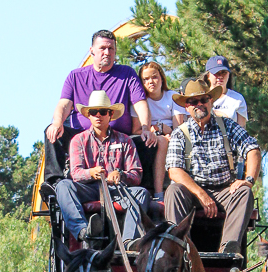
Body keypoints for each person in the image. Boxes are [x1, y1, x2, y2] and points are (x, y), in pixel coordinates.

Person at [43, 29, 156, 191]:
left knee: (148, 141)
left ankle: (145, 190)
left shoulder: (127, 74)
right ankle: (54, 184)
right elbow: (64, 104)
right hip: (82, 137)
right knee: (52, 133)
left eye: (111, 49)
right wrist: (57, 123)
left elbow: (140, 104)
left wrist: (146, 128)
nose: (107, 52)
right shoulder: (75, 76)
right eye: (102, 48)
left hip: (118, 138)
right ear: (92, 51)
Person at [164, 78, 261, 256]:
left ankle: (228, 250)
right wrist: (200, 194)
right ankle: (178, 250)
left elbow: (252, 149)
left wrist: (248, 180)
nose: (199, 104)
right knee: (174, 191)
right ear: (187, 106)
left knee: (244, 193)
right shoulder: (180, 134)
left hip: (224, 189)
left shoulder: (228, 126)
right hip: (193, 193)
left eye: (204, 99)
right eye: (194, 101)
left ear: (211, 101)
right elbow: (174, 170)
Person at [55, 92, 150, 245]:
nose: (98, 115)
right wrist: (91, 173)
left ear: (110, 114)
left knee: (141, 193)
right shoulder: (78, 140)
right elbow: (76, 173)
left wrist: (121, 175)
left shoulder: (125, 140)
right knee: (63, 186)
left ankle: (129, 241)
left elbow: (136, 173)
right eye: (94, 112)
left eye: (103, 112)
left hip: (116, 191)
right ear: (89, 116)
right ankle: (83, 231)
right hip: (89, 189)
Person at [131, 61, 186, 200]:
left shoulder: (172, 97)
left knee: (167, 141)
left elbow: (179, 128)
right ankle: (158, 193)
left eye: (154, 77)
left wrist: (166, 131)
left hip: (173, 136)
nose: (151, 82)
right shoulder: (139, 102)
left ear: (162, 77)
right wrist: (156, 130)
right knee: (161, 141)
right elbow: (136, 129)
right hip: (152, 136)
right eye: (146, 79)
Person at [204, 55, 248, 127]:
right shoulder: (200, 98)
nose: (220, 76)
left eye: (224, 72)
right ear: (208, 75)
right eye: (216, 73)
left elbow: (242, 130)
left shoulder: (238, 99)